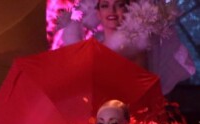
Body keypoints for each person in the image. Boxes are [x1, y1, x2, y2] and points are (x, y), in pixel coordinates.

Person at [52, 0, 195, 93]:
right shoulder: (93, 47)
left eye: (119, 4)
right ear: (98, 13)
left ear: (128, 10)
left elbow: (140, 92)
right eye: (105, 5)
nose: (112, 10)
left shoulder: (137, 47)